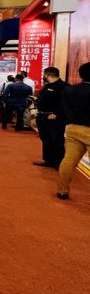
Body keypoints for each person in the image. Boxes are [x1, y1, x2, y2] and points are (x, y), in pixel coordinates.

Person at [56, 62, 90, 200]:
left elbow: (63, 108)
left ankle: (62, 190)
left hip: (73, 128)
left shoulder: (69, 90)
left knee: (69, 161)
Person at [33, 67, 69, 169]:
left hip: (54, 118)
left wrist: (57, 114)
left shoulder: (64, 87)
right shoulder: (47, 86)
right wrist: (37, 100)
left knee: (57, 140)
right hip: (42, 116)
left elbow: (66, 103)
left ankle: (59, 162)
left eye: (44, 74)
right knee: (45, 139)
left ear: (47, 74)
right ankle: (48, 160)